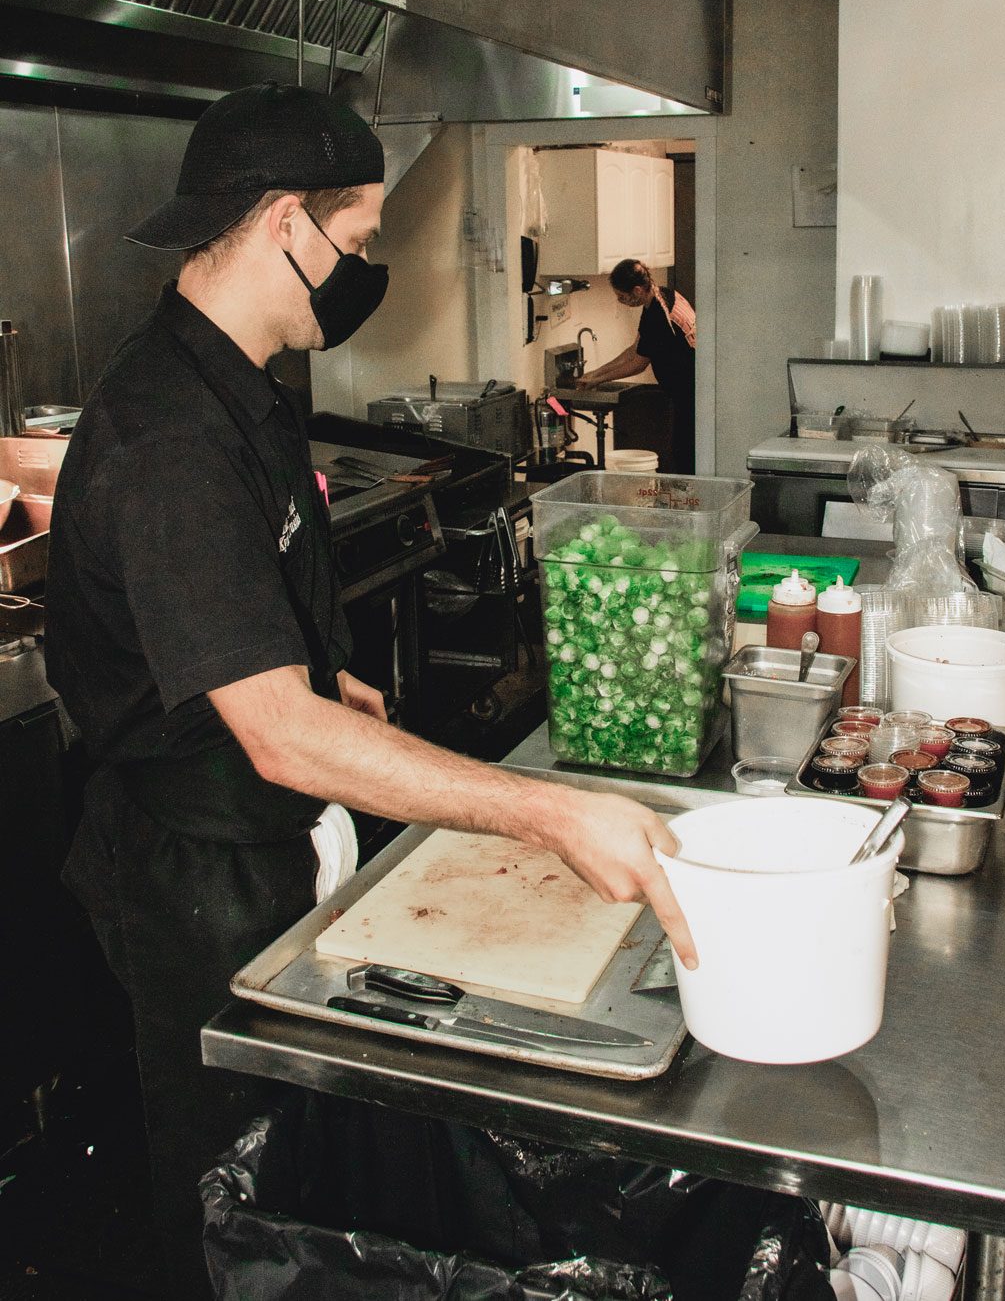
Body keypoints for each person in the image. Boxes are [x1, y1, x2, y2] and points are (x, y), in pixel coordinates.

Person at [44, 84, 696, 1299]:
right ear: (284, 220)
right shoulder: (169, 435)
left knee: (308, 1189)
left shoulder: (243, 382)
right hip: (196, 871)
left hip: (258, 837)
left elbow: (238, 635)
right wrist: (547, 809)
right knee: (227, 1205)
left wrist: (309, 663)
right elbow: (278, 736)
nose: (360, 269)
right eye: (355, 241)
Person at [577, 257, 696, 473]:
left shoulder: (660, 315)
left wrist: (598, 379)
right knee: (682, 451)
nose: (621, 301)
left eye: (622, 296)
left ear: (638, 290)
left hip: (691, 392)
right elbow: (635, 349)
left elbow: (638, 364)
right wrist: (595, 372)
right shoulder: (661, 296)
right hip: (686, 390)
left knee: (684, 454)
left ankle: (688, 501)